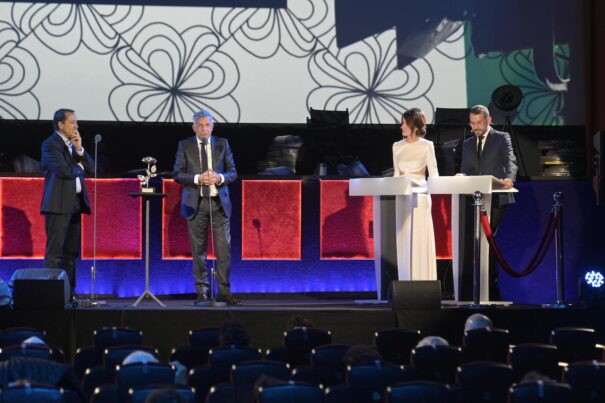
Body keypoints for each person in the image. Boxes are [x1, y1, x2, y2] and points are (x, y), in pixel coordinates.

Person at [173, 110, 241, 306]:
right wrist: (197, 178)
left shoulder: (222, 143)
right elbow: (177, 174)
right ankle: (202, 292)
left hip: (219, 203)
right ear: (194, 127)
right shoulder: (185, 145)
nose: (204, 129)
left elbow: (233, 172)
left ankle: (224, 292)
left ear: (212, 126)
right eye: (200, 125)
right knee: (198, 250)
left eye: (207, 125)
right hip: (196, 202)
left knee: (224, 249)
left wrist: (220, 177)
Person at [459, 104, 518, 300]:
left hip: (497, 197)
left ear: (489, 120)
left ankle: (490, 286)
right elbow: (465, 169)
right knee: (476, 241)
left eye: (479, 123)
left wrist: (510, 178)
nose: (476, 127)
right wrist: (460, 177)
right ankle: (477, 287)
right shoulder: (467, 144)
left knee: (489, 239)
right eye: (473, 123)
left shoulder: (502, 138)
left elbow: (510, 161)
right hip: (474, 199)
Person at [41, 109, 93, 300]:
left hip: (75, 205)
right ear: (60, 125)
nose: (76, 126)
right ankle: (50, 295)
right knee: (55, 253)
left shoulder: (72, 146)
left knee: (71, 253)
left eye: (76, 123)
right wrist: (79, 167)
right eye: (72, 123)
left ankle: (69, 293)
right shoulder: (50, 144)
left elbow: (92, 168)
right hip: (57, 205)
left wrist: (79, 150)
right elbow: (63, 171)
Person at [392, 108, 439, 280]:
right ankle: (405, 280)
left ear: (412, 124)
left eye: (404, 123)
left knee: (420, 238)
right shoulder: (396, 146)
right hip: (402, 197)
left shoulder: (427, 146)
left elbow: (433, 175)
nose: (401, 127)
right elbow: (396, 175)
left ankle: (423, 280)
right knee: (403, 238)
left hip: (421, 196)